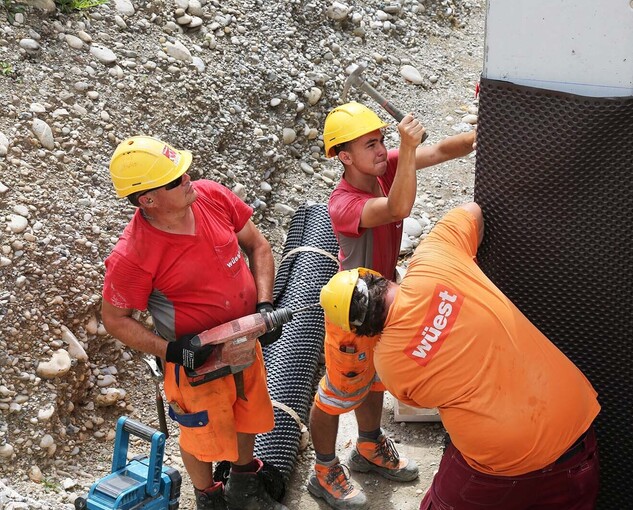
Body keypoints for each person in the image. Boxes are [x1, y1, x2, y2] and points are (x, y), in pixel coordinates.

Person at [319, 202, 601, 510]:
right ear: (379, 277)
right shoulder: (433, 258)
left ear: (362, 331)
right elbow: (473, 211)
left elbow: (425, 399)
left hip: (504, 462)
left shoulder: (390, 365)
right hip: (576, 427)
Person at [101, 136, 287, 510]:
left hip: (244, 342)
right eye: (175, 180)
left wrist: (265, 305)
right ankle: (209, 496)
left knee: (247, 413)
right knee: (200, 434)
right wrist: (173, 351)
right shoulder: (133, 255)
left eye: (184, 171)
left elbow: (259, 246)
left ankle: (244, 484)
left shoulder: (211, 197)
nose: (188, 179)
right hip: (196, 363)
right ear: (147, 200)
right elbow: (115, 320)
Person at [308, 101, 476, 509]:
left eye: (382, 140)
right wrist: (407, 147)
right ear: (345, 157)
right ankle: (324, 470)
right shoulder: (343, 203)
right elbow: (398, 208)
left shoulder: (384, 169)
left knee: (374, 379)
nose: (382, 150)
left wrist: (489, 132)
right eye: (370, 144)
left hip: (383, 299)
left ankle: (368, 445)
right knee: (337, 393)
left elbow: (444, 151)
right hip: (353, 312)